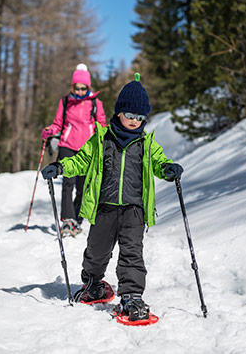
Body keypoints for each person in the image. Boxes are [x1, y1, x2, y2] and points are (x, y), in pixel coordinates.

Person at [41, 76, 183, 322]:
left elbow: (159, 162)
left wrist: (169, 169)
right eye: (130, 115)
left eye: (140, 118)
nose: (134, 121)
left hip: (134, 210)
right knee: (97, 251)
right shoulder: (101, 139)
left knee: (132, 253)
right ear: (119, 113)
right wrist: (61, 167)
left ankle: (132, 295)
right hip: (104, 207)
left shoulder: (146, 143)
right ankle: (93, 283)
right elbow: (81, 160)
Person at [40, 63, 107, 236]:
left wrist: (105, 141)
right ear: (73, 86)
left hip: (87, 149)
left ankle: (77, 220)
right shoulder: (65, 102)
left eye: (83, 88)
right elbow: (58, 124)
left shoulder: (95, 103)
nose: (79, 91)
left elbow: (102, 125)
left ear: (88, 87)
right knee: (67, 184)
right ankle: (67, 220)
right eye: (77, 88)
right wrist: (49, 131)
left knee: (83, 186)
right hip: (67, 146)